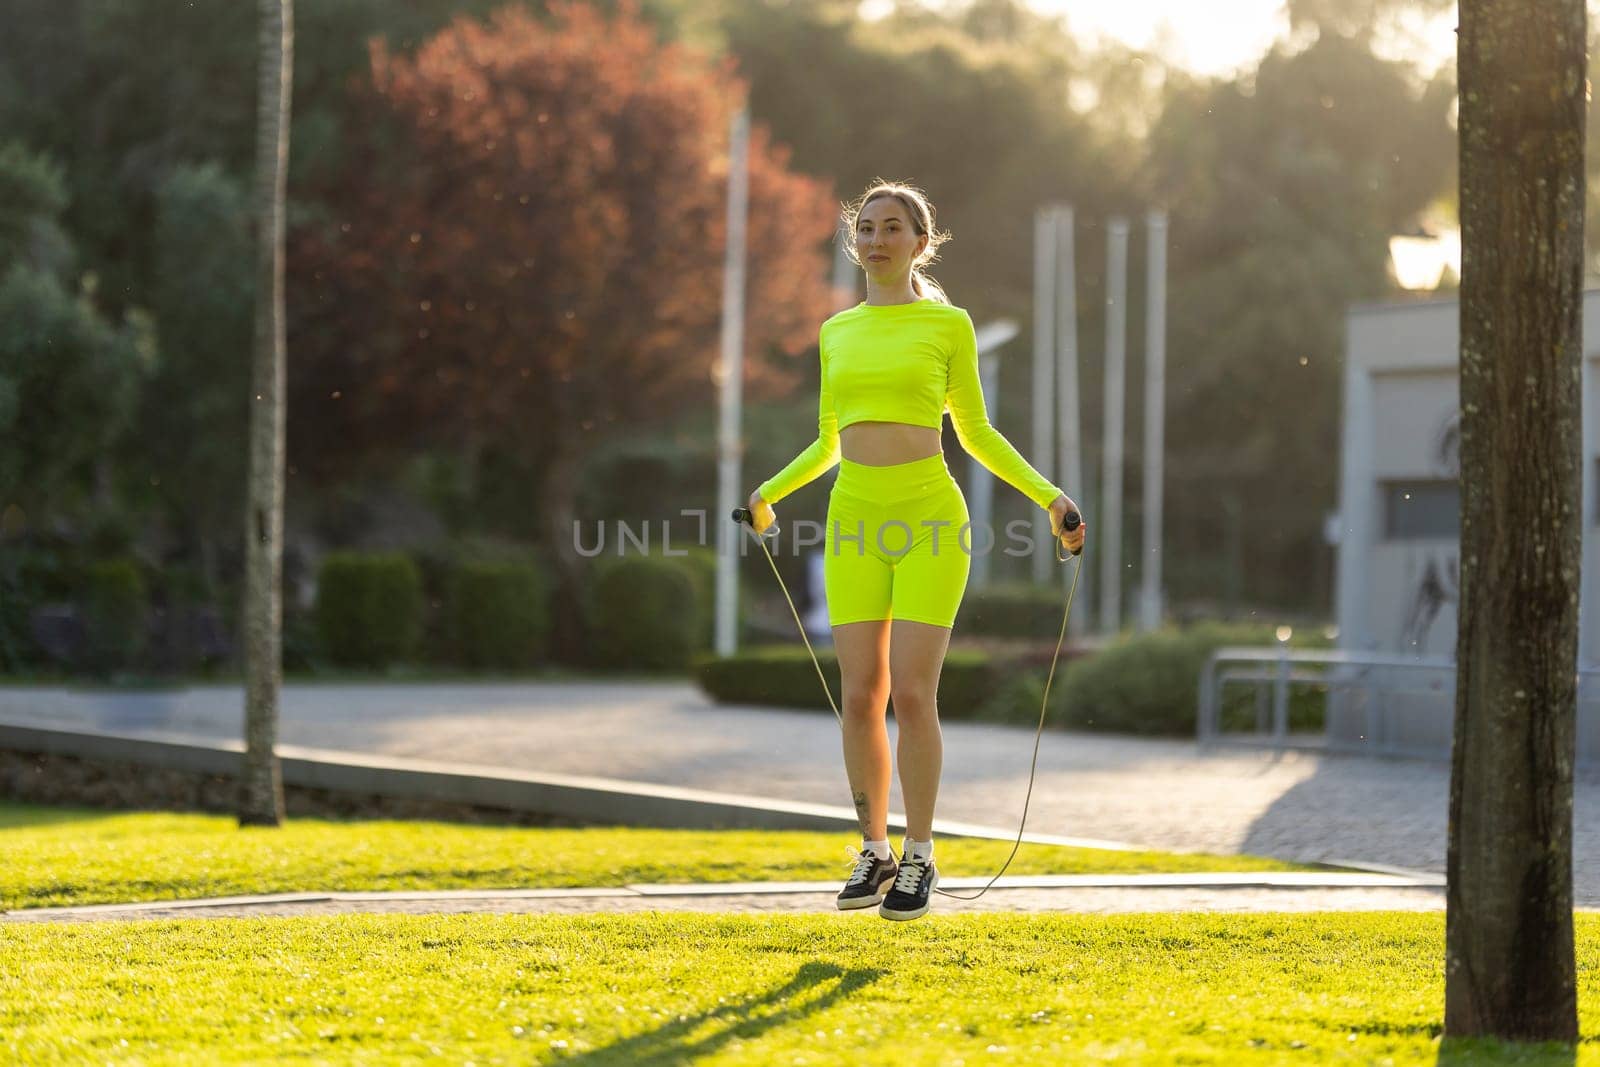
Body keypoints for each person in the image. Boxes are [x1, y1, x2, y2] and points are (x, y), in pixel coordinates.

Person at [747, 181, 1087, 921]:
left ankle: (921, 853)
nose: (875, 240)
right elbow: (829, 440)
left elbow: (978, 434)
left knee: (912, 693)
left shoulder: (949, 326)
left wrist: (1051, 498)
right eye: (864, 228)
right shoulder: (837, 332)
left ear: (920, 242)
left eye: (891, 227)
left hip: (931, 516)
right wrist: (768, 491)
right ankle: (874, 851)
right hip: (854, 517)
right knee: (860, 693)